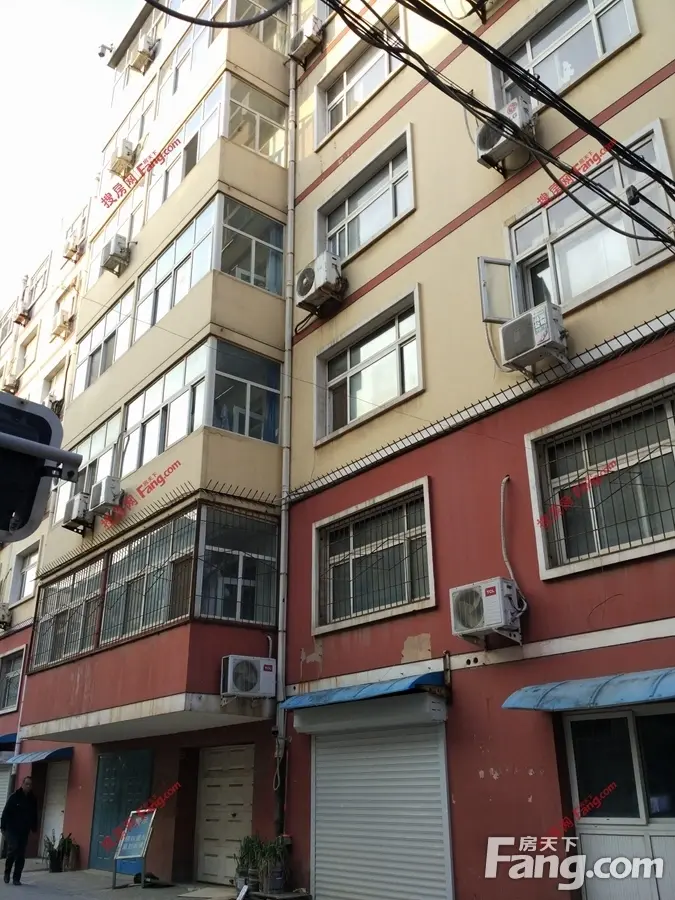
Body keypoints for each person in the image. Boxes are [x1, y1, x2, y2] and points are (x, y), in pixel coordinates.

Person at [1, 776, 38, 885]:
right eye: (26, 784)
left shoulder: (32, 800)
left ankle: (16, 878)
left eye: (30, 784)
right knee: (13, 849)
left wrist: (34, 828)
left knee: (21, 854)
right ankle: (7, 873)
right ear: (22, 784)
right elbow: (6, 812)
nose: (28, 786)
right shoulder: (14, 797)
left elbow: (34, 815)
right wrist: (2, 826)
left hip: (24, 830)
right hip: (12, 829)